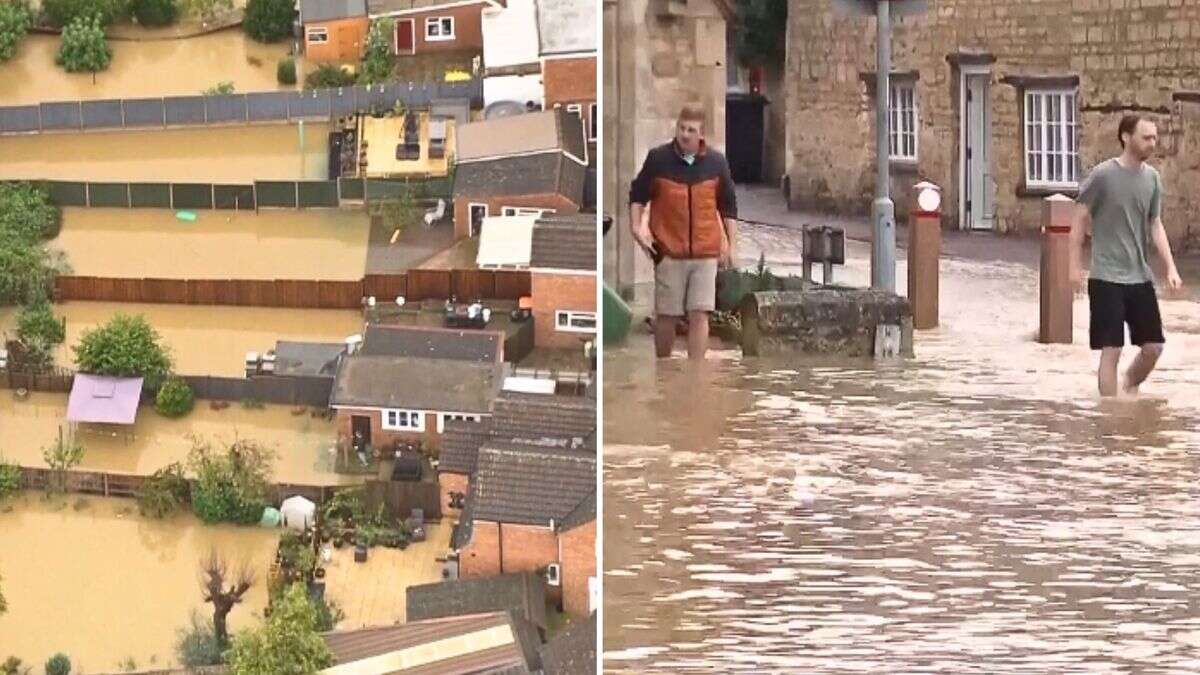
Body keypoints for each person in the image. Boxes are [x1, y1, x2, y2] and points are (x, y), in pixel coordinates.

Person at [1072, 114, 1183, 397]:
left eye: (1154, 138)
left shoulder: (1152, 179)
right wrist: (1074, 266)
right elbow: (1080, 217)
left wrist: (1170, 267)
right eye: (1146, 137)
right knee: (1112, 350)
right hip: (1105, 277)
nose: (1152, 143)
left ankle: (1128, 387)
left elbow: (1155, 224)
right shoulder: (1103, 176)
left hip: (1139, 276)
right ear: (1126, 137)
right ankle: (1109, 417)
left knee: (1153, 347)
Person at [629, 105, 738, 359]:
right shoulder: (658, 159)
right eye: (681, 128)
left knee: (700, 313)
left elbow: (728, 206)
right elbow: (638, 194)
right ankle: (664, 368)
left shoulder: (716, 163)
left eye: (691, 130)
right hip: (669, 251)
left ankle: (696, 375)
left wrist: (732, 245)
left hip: (705, 253)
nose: (684, 134)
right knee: (667, 315)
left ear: (702, 134)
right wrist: (636, 227)